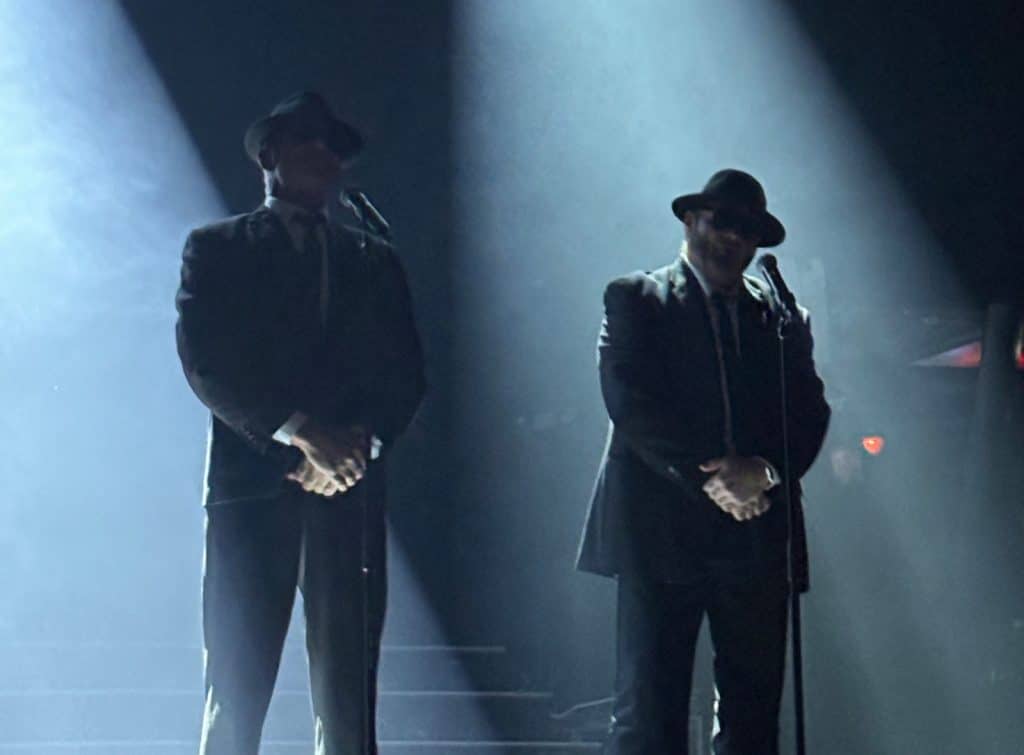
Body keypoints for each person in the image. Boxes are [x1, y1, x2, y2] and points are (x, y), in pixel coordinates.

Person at [175, 91, 425, 755]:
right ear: (270, 154)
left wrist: (356, 447)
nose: (323, 154)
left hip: (349, 492)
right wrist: (300, 433)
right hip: (251, 492)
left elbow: (405, 373)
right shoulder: (217, 247)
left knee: (349, 695)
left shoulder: (373, 257)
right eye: (307, 140)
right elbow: (207, 364)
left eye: (332, 146)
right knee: (236, 681)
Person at [577, 169, 830, 754]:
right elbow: (629, 400)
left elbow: (809, 409)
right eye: (722, 222)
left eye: (747, 230)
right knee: (649, 711)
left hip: (756, 537)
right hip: (661, 531)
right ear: (692, 221)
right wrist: (714, 479)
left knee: (753, 713)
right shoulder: (636, 296)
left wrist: (764, 471)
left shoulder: (782, 317)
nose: (733, 239)